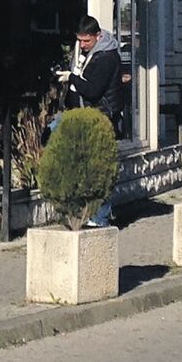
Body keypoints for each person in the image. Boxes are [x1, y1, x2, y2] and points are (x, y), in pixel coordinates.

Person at [53, 16, 123, 227]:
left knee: (100, 168)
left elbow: (93, 90)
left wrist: (72, 78)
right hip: (83, 115)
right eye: (80, 40)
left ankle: (101, 218)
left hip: (101, 117)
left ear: (98, 36)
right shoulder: (86, 54)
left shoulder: (106, 57)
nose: (82, 45)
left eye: (87, 41)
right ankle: (84, 212)